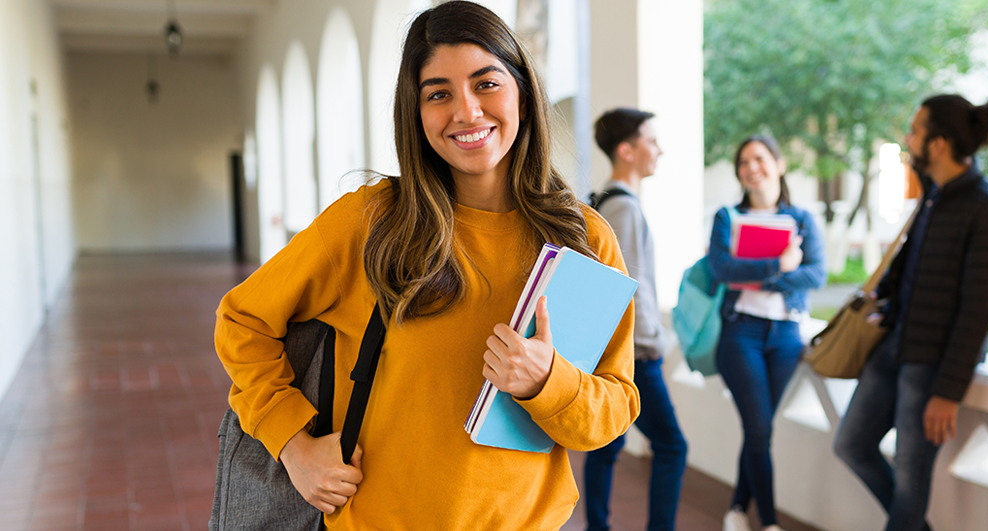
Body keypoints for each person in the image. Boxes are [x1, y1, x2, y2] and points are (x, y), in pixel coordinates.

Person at [214, 2, 640, 529]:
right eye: (438, 93)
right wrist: (294, 444)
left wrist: (546, 381)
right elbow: (242, 321)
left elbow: (614, 407)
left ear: (524, 97)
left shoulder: (583, 239)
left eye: (486, 84)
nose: (466, 111)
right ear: (416, 114)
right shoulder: (372, 223)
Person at [832, 95, 988, 531]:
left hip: (933, 365)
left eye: (915, 131)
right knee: (851, 444)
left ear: (940, 143)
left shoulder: (985, 205)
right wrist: (886, 304)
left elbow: (980, 307)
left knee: (911, 483)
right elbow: (911, 264)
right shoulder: (934, 195)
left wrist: (948, 391)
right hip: (894, 343)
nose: (908, 140)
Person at [706, 134, 827, 531]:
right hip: (742, 334)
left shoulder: (802, 219)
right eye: (743, 162)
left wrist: (766, 277)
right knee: (758, 428)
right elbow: (722, 269)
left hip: (787, 337)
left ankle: (738, 508)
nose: (751, 167)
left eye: (759, 158)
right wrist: (777, 265)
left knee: (760, 430)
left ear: (779, 164)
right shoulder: (728, 217)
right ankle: (771, 523)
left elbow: (816, 274)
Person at [583, 108, 688, 531]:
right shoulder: (624, 208)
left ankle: (597, 526)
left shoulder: (604, 202)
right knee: (672, 446)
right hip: (636, 352)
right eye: (651, 140)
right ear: (626, 151)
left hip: (617, 348)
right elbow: (628, 286)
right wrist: (650, 342)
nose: (659, 149)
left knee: (608, 446)